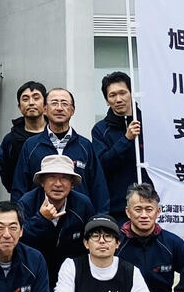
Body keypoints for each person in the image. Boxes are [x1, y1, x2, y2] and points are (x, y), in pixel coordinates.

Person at [10, 88, 113, 218]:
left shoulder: (85, 146)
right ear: (45, 109)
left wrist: (99, 221)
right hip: (39, 220)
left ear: (72, 110)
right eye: (54, 103)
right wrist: (18, 220)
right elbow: (19, 188)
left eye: (64, 104)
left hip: (79, 220)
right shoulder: (31, 145)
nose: (59, 108)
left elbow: (98, 188)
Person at [17, 154, 93, 268]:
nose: (58, 184)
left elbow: (91, 240)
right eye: (52, 177)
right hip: (34, 268)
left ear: (72, 184)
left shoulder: (83, 204)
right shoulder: (27, 203)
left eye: (64, 178)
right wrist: (41, 219)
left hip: (72, 270)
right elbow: (18, 239)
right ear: (42, 182)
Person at [90, 71, 142, 221]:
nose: (118, 99)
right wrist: (126, 139)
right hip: (117, 209)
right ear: (107, 100)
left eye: (123, 93)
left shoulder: (149, 123)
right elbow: (102, 166)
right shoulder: (100, 130)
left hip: (150, 206)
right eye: (112, 95)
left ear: (131, 94)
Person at [0, 81, 49, 198]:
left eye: (36, 98)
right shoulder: (10, 140)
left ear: (45, 105)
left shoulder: (55, 136)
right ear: (19, 107)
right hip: (21, 199)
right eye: (25, 99)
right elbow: (6, 174)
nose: (31, 103)